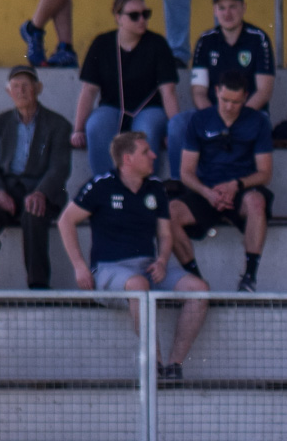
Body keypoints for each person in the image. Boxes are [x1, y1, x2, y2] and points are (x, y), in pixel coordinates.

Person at [58, 131, 210, 379]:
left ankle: (174, 366)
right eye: (145, 152)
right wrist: (79, 266)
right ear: (127, 159)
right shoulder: (101, 185)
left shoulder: (156, 188)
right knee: (138, 285)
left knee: (199, 289)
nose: (153, 155)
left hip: (148, 267)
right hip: (109, 269)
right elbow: (65, 221)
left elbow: (165, 234)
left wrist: (162, 261)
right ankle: (154, 367)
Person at [169, 69, 275, 292]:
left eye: (235, 102)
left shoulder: (257, 121)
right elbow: (186, 172)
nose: (229, 106)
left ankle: (249, 277)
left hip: (241, 189)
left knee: (257, 202)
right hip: (206, 190)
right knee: (169, 213)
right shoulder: (200, 120)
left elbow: (265, 173)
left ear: (245, 97)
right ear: (216, 91)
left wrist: (236, 185)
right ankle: (196, 280)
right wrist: (207, 192)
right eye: (225, 100)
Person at [0, 65, 74, 289]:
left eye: (26, 86)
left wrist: (41, 193)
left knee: (34, 213)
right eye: (16, 86)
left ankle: (38, 287)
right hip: (7, 191)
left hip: (42, 191)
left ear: (38, 89)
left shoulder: (58, 125)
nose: (21, 91)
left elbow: (59, 167)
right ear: (9, 91)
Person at [167, 0, 274, 178]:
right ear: (215, 11)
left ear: (244, 8)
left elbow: (264, 91)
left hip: (250, 112)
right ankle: (179, 184)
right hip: (213, 112)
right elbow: (198, 91)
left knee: (261, 124)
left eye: (233, 6)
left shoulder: (258, 38)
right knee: (177, 124)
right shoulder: (206, 40)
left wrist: (235, 117)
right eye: (221, 7)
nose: (227, 13)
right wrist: (217, 118)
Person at [73, 0, 179, 178]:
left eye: (145, 14)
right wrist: (78, 129)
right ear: (118, 17)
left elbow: (168, 91)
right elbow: (89, 90)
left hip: (149, 109)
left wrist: (174, 130)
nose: (142, 20)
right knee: (96, 126)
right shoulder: (102, 43)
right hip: (112, 107)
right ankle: (106, 183)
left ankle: (144, 184)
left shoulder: (158, 44)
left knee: (147, 130)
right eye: (134, 15)